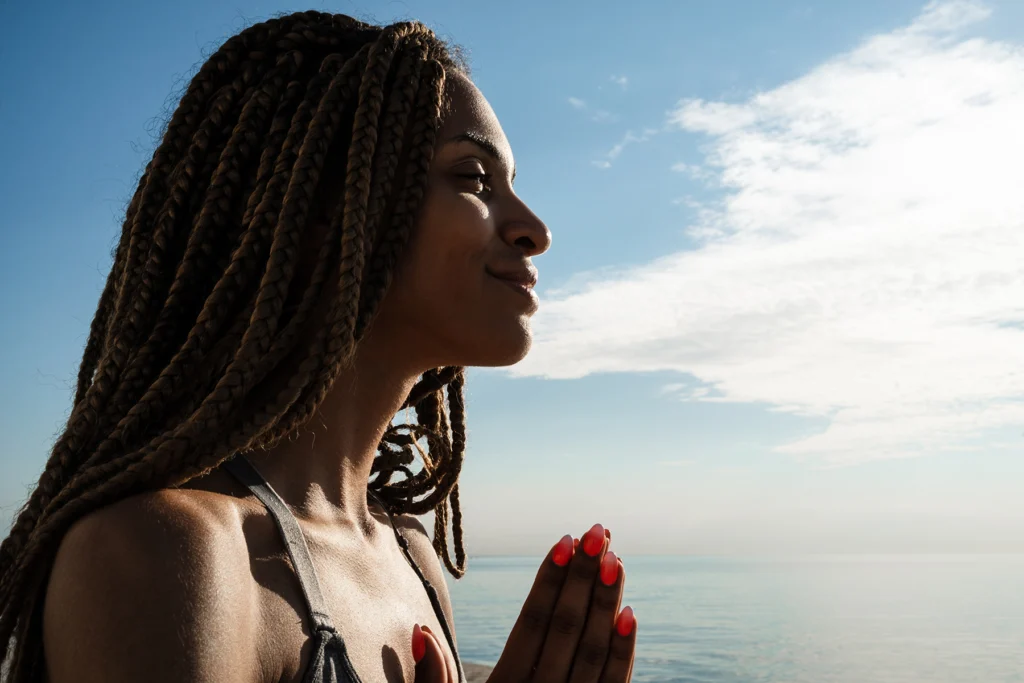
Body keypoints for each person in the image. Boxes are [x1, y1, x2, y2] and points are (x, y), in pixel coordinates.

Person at [0, 11, 636, 683]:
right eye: (474, 177)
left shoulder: (411, 559)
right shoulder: (164, 553)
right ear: (327, 210)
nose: (535, 229)